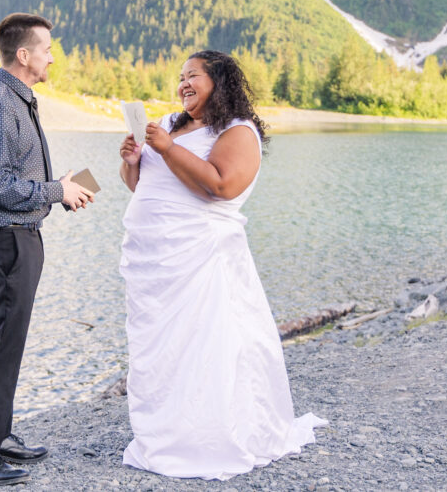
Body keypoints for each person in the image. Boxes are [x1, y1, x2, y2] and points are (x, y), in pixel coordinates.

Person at [117, 50, 326, 480]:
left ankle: (211, 437)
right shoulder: (172, 123)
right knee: (164, 349)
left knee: (206, 342)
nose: (183, 84)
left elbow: (221, 185)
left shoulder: (236, 130)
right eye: (180, 77)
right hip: (154, 263)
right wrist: (132, 161)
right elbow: (143, 186)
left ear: (220, 81)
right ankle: (167, 432)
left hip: (202, 256)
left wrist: (168, 148)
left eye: (193, 75)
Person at [0, 12, 94, 486]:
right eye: (48, 49)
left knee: (9, 341)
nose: (53, 56)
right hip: (5, 238)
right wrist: (55, 192)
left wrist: (58, 187)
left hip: (18, 234)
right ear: (24, 55)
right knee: (2, 342)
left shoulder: (15, 98)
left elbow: (12, 177)